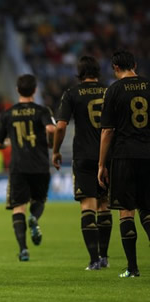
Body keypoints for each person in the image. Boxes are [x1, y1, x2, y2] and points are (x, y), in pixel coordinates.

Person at [53, 56, 113, 270]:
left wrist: (56, 151)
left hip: (84, 156)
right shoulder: (109, 91)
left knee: (87, 205)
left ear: (79, 73)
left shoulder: (72, 93)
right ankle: (104, 257)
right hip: (107, 156)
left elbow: (60, 127)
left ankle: (94, 260)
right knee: (104, 204)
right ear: (98, 71)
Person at [98, 50, 150, 278]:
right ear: (135, 65)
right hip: (148, 154)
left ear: (115, 68)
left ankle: (133, 268)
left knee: (126, 211)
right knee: (147, 209)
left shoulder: (114, 90)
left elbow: (108, 130)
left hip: (124, 156)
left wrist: (101, 164)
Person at [0, 74, 55, 261]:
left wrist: (9, 142)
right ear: (35, 90)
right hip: (40, 164)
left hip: (18, 166)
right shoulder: (43, 111)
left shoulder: (8, 114)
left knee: (18, 207)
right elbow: (52, 129)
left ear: (17, 90)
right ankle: (34, 218)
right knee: (39, 199)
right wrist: (50, 144)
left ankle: (23, 250)